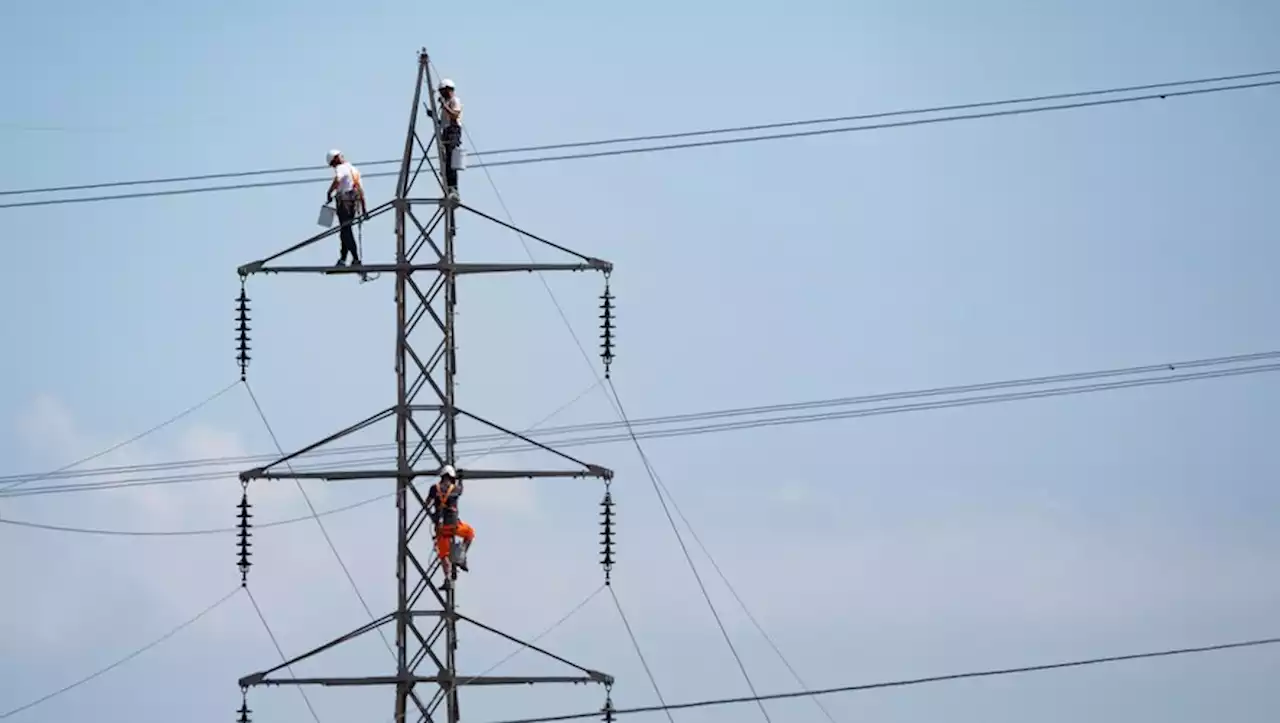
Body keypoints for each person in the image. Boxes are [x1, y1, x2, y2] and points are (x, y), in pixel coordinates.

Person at [325, 149, 369, 279]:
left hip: (344, 202)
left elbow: (337, 179)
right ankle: (343, 259)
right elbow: (360, 191)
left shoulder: (341, 168)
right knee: (345, 230)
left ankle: (355, 260)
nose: (334, 167)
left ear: (336, 159)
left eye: (333, 164)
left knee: (345, 230)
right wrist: (364, 210)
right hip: (353, 203)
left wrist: (329, 192)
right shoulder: (354, 170)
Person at [426, 464, 475, 578]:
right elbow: (461, 490)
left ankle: (447, 578)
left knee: (443, 555)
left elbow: (426, 503)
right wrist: (461, 478)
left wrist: (433, 515)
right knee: (470, 533)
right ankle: (461, 557)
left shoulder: (434, 488)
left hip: (440, 528)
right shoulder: (455, 488)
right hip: (453, 526)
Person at [435, 79, 463, 195]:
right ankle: (448, 186)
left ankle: (453, 188)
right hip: (446, 131)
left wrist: (444, 105)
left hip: (453, 131)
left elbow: (454, 115)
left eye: (443, 91)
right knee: (445, 162)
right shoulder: (446, 104)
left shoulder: (454, 101)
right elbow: (443, 121)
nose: (441, 94)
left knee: (452, 160)